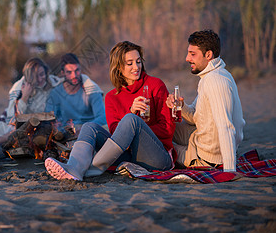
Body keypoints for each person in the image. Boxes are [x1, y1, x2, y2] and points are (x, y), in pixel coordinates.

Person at [45, 41, 175, 180]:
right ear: (118, 67)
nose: (136, 67)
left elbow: (167, 129)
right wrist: (131, 111)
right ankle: (74, 168)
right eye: (129, 63)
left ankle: (91, 170)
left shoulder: (155, 85)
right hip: (129, 157)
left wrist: (138, 127)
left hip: (157, 158)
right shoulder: (111, 97)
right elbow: (115, 134)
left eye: (138, 61)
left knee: (131, 120)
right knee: (89, 127)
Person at [166, 29, 245, 172]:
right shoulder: (212, 76)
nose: (187, 58)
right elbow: (196, 118)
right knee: (162, 125)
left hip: (206, 158)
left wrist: (229, 170)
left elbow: (226, 127)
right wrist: (181, 106)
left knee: (162, 145)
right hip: (199, 138)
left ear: (208, 55)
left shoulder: (215, 81)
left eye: (192, 54)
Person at [0, 57, 61, 153]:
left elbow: (64, 83)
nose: (41, 79)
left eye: (42, 74)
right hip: (9, 123)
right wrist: (24, 97)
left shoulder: (50, 81)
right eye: (36, 76)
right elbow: (14, 117)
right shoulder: (19, 87)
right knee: (17, 129)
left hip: (38, 122)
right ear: (29, 77)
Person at [45, 53, 106, 132]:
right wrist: (55, 124)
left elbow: (102, 117)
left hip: (89, 131)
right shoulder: (56, 93)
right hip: (65, 133)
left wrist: (85, 128)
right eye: (69, 72)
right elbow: (49, 118)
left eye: (77, 70)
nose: (74, 75)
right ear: (62, 73)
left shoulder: (91, 89)